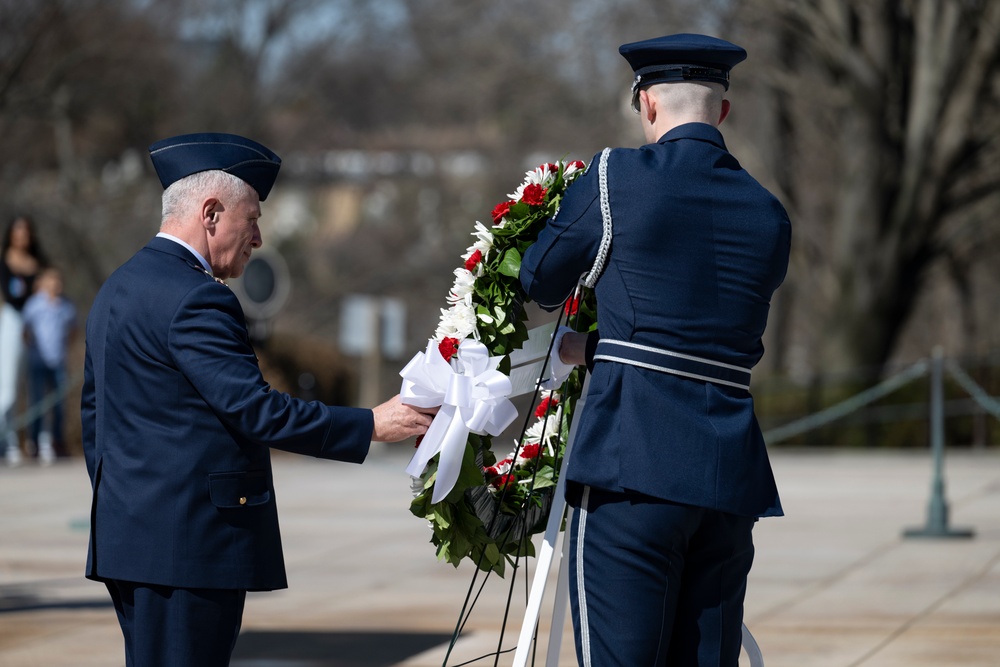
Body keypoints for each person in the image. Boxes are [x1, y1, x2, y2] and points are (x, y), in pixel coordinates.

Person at [81, 132, 436, 667]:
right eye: (252, 220)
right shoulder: (197, 298)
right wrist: (372, 425)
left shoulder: (120, 286)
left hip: (132, 541)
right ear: (211, 212)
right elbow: (257, 410)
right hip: (188, 550)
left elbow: (95, 421)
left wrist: (129, 506)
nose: (259, 238)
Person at [519, 34, 791, 666]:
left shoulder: (617, 177)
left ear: (645, 104)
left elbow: (540, 280)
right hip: (727, 478)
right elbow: (697, 337)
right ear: (723, 111)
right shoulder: (768, 212)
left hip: (631, 465)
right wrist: (595, 346)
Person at [1, 214, 47, 466]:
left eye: (25, 231)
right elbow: (11, 296)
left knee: (36, 385)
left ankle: (36, 441)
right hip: (14, 321)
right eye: (17, 231)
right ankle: (7, 442)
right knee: (8, 389)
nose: (21, 236)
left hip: (37, 323)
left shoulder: (38, 262)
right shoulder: (5, 259)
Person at [22, 266, 77, 464]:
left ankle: (58, 442)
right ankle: (34, 443)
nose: (55, 284)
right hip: (38, 360)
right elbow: (25, 329)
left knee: (59, 405)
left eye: (57, 280)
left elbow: (73, 329)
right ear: (42, 283)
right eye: (50, 280)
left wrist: (65, 348)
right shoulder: (33, 305)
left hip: (58, 361)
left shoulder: (66, 306)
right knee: (37, 402)